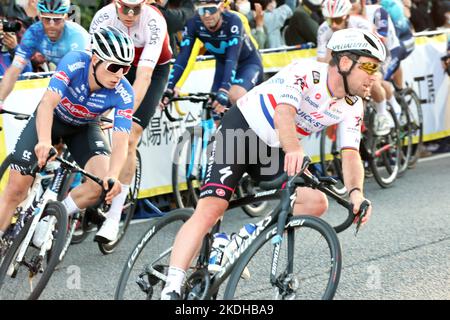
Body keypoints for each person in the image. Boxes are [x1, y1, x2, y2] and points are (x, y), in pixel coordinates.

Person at [160, 28, 385, 299]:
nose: (374, 75)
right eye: (370, 65)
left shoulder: (352, 104)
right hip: (241, 130)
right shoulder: (305, 72)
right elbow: (284, 114)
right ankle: (171, 286)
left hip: (272, 148)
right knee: (212, 208)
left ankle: (239, 240)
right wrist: (294, 150)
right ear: (346, 62)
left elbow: (350, 153)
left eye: (377, 67)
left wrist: (356, 193)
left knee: (316, 202)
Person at [0, 26, 135, 246]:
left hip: (84, 128)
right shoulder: (74, 62)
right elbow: (47, 103)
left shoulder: (124, 92)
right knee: (16, 188)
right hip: (52, 119)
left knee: (99, 185)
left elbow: (121, 142)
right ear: (95, 59)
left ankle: (55, 215)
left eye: (125, 68)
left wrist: (112, 175)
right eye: (114, 67)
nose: (119, 75)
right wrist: (44, 141)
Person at [89, 0, 173, 242]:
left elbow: (144, 77)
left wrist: (121, 116)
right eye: (124, 8)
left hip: (151, 71)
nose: (129, 14)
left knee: (130, 134)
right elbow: (91, 63)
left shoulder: (154, 21)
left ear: (144, 4)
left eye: (135, 9)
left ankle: (114, 217)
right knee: (87, 117)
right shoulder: (103, 17)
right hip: (115, 65)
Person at [161, 0, 264, 115]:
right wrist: (170, 87)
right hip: (223, 65)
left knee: (235, 96)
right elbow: (184, 56)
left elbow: (232, 58)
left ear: (221, 8)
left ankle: (254, 129)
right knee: (213, 109)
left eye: (211, 10)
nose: (206, 15)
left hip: (248, 64)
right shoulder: (194, 23)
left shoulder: (233, 21)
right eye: (202, 10)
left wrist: (224, 90)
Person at [0, 0, 90, 106]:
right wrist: (1, 99)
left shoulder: (78, 37)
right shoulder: (33, 33)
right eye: (46, 19)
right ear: (40, 16)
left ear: (65, 17)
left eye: (57, 20)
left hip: (85, 80)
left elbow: (83, 76)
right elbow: (14, 70)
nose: (51, 25)